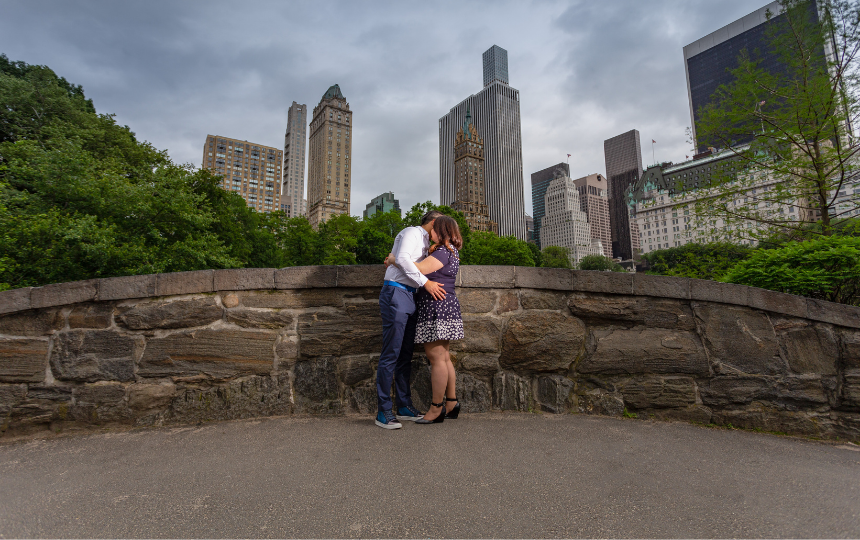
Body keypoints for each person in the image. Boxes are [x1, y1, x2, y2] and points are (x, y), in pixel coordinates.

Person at [386, 215, 463, 424]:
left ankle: (436, 409)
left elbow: (417, 269)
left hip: (436, 306)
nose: (431, 233)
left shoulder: (442, 251)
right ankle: (451, 402)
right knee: (444, 356)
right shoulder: (452, 251)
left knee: (436, 357)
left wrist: (393, 259)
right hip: (445, 305)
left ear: (442, 231)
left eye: (435, 230)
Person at [375, 211, 447, 430]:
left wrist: (394, 259)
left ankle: (404, 406)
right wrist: (425, 283)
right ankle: (383, 411)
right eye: (441, 224)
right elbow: (404, 259)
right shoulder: (412, 233)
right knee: (391, 353)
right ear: (434, 222)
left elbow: (400, 260)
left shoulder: (426, 243)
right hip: (396, 293)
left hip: (410, 296)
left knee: (405, 354)